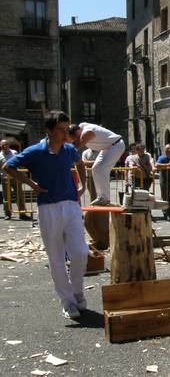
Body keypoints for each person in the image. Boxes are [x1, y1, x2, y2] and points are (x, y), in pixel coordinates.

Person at [3, 111, 88, 319]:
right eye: (59, 130)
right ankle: (67, 301)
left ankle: (76, 290)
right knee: (56, 257)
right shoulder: (35, 151)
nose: (64, 133)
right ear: (48, 131)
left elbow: (80, 164)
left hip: (71, 205)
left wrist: (83, 186)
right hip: (48, 207)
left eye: (65, 129)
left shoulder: (68, 150)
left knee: (80, 252)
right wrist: (31, 184)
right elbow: (8, 167)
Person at [67, 122, 125, 206]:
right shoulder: (81, 127)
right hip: (107, 147)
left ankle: (105, 198)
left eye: (72, 138)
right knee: (96, 168)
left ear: (76, 133)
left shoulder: (87, 132)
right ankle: (101, 197)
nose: (72, 140)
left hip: (116, 145)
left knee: (102, 169)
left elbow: (76, 147)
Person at [0, 139, 29, 220]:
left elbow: (19, 163)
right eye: (2, 145)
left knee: (19, 196)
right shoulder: (0, 155)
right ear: (0, 147)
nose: (4, 146)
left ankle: (22, 213)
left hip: (16, 177)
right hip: (5, 178)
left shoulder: (14, 152)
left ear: (8, 145)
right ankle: (7, 214)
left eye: (5, 145)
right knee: (6, 197)